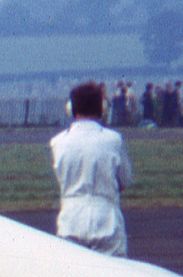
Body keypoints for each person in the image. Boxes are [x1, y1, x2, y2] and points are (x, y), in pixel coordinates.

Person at [50, 81, 133, 257]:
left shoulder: (57, 142)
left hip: (70, 220)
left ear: (71, 109)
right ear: (102, 108)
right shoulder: (114, 140)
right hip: (106, 220)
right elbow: (124, 181)